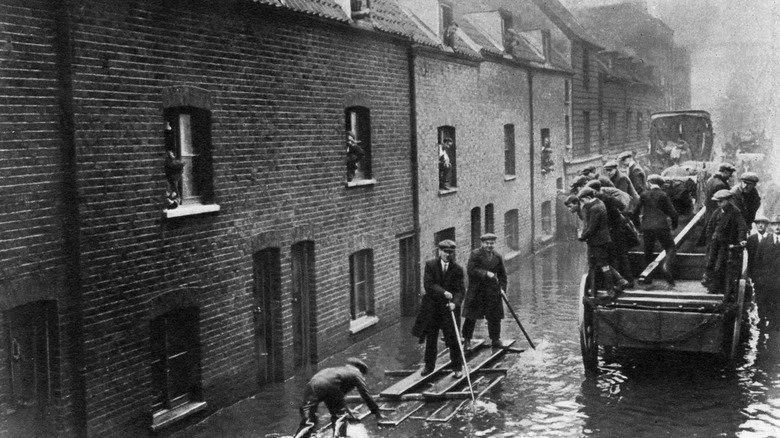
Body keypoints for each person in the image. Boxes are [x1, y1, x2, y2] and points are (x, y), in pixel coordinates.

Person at [411, 240, 465, 377]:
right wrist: (443, 292)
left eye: (450, 253)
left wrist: (455, 303)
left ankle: (457, 368)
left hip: (449, 310)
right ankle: (429, 367)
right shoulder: (430, 265)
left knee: (454, 339)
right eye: (445, 252)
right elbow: (428, 285)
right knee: (431, 339)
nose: (448, 255)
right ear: (439, 251)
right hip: (433, 309)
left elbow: (460, 291)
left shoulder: (457, 269)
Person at [294, 357, 382, 438]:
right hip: (330, 387)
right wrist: (377, 412)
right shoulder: (356, 373)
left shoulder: (339, 371)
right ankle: (339, 436)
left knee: (308, 421)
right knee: (339, 417)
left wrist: (348, 410)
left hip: (313, 383)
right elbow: (365, 394)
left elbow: (339, 397)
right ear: (361, 370)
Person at [578, 188, 629, 296]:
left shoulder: (595, 208)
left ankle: (611, 289)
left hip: (598, 242)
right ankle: (620, 280)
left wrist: (582, 237)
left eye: (583, 200)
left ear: (588, 198)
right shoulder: (600, 203)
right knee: (603, 264)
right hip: (603, 240)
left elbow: (592, 228)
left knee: (603, 265)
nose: (582, 203)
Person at [631, 174, 679, 287]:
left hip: (647, 228)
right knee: (670, 248)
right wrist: (674, 226)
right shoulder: (663, 195)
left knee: (648, 252)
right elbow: (673, 213)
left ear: (649, 183)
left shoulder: (643, 195)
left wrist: (639, 227)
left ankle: (648, 278)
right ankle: (666, 266)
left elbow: (634, 213)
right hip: (662, 226)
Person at [462, 233, 507, 349]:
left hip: (492, 291)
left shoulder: (497, 256)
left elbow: (502, 274)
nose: (489, 246)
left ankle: (495, 339)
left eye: (491, 243)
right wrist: (486, 273)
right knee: (471, 317)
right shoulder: (475, 254)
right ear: (482, 243)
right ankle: (467, 340)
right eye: (487, 243)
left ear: (494, 244)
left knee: (494, 317)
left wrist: (502, 289)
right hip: (477, 290)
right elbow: (471, 270)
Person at [587, 180, 636, 286]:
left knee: (615, 256)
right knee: (622, 255)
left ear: (595, 190)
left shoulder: (600, 200)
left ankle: (618, 282)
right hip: (618, 228)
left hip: (613, 230)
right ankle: (629, 281)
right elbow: (622, 206)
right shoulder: (607, 197)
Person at [702, 189, 747, 294]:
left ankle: (715, 287)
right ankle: (708, 282)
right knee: (710, 262)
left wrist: (741, 239)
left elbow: (741, 226)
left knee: (720, 265)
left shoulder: (735, 212)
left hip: (725, 244)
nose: (719, 204)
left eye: (721, 201)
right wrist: (709, 239)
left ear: (728, 200)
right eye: (717, 201)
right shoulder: (717, 212)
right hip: (714, 242)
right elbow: (710, 226)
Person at [747, 215, 773, 325]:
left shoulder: (772, 239)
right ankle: (762, 319)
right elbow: (750, 259)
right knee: (759, 296)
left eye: (763, 223)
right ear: (756, 225)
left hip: (770, 274)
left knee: (771, 296)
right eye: (758, 223)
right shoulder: (751, 239)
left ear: (767, 225)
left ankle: (771, 319)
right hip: (757, 274)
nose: (760, 225)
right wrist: (751, 274)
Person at [700, 163, 736, 244]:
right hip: (718, 216)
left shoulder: (711, 180)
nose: (730, 176)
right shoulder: (720, 185)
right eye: (730, 173)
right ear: (725, 171)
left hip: (709, 213)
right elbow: (724, 203)